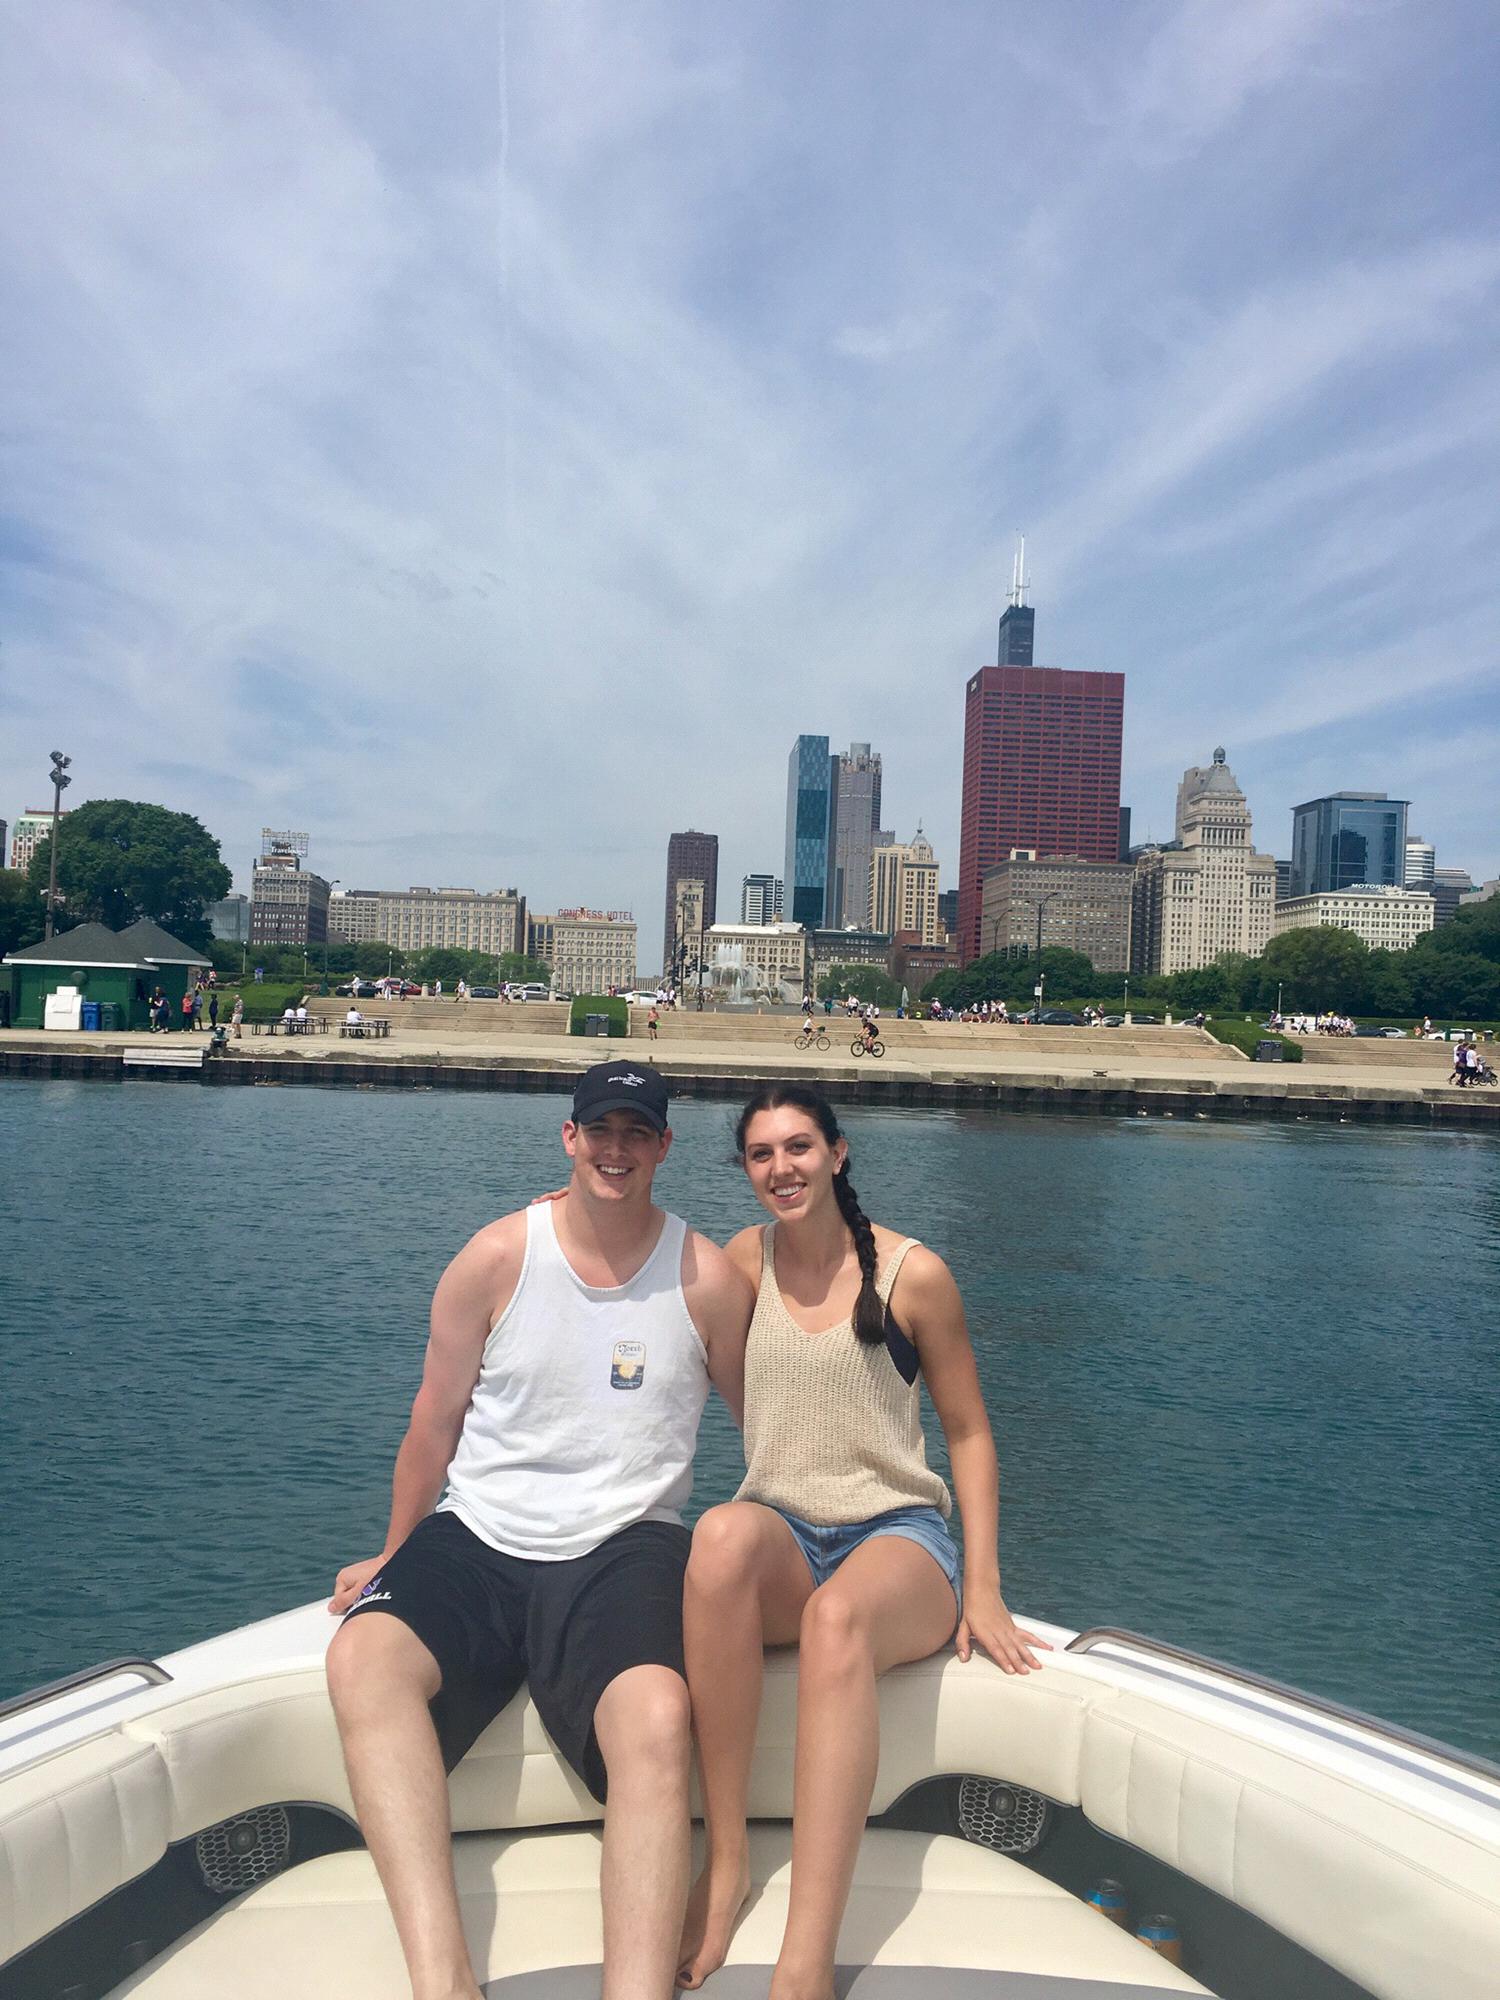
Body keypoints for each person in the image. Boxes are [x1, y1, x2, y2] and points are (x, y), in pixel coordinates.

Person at [325, 1061, 752, 2000]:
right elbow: (433, 1424)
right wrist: (397, 1553)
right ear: (568, 1137)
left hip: (626, 1542)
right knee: (363, 1659)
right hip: (478, 1530)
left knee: (654, 1716)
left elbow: (771, 1431)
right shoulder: (496, 1258)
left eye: (637, 1133)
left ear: (664, 1148)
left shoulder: (707, 1278)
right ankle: (444, 1981)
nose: (616, 1150)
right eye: (600, 1130)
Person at [675, 1082, 1047, 1994]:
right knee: (717, 1538)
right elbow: (691, 1353)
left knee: (838, 1621)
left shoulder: (912, 1274)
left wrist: (987, 1585)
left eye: (798, 1147)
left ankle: (806, 1957)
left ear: (837, 1153)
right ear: (746, 1170)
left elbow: (968, 1433)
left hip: (899, 1539)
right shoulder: (744, 1263)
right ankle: (725, 1868)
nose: (781, 1168)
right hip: (784, 1534)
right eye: (761, 1154)